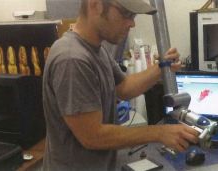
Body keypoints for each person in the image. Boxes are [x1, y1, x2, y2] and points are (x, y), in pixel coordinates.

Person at [42, 0, 199, 170]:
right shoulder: (72, 59)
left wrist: (162, 67)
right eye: (126, 14)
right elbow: (93, 136)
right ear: (96, 5)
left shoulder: (96, 49)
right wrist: (159, 133)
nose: (132, 23)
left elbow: (124, 88)